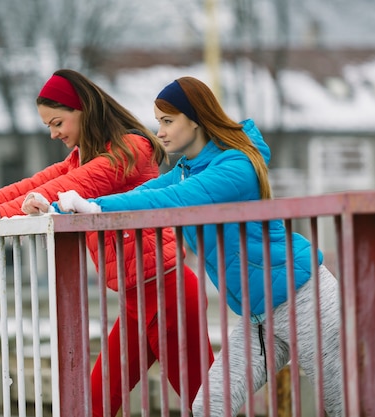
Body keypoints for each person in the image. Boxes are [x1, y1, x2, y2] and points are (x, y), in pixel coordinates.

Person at [0, 69, 214, 417]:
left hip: (168, 293)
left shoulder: (132, 149)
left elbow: (64, 192)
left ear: (83, 110)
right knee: (93, 405)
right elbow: (28, 186)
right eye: (49, 127)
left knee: (206, 405)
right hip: (137, 300)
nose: (55, 133)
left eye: (57, 122)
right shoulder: (81, 158)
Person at [51, 76, 343, 416]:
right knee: (208, 405)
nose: (159, 132)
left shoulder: (237, 166)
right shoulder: (188, 170)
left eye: (168, 121)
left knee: (341, 407)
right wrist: (64, 207)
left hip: (305, 302)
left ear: (195, 119)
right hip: (258, 319)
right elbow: (143, 193)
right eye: (159, 121)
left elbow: (174, 200)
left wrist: (98, 209)